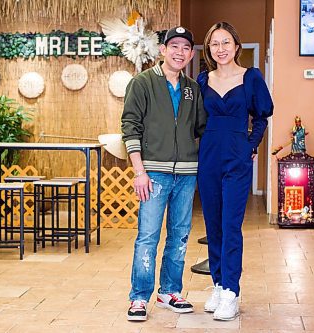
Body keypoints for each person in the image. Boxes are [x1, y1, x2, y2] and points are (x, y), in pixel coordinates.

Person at [121, 26, 207, 321]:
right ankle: (139, 297)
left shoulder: (192, 88)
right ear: (162, 50)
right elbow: (130, 126)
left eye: (185, 48)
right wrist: (139, 172)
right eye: (174, 46)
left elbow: (201, 129)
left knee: (180, 235)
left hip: (187, 174)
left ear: (191, 54)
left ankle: (169, 291)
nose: (179, 52)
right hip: (153, 174)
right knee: (147, 236)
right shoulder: (142, 83)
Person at [196, 22, 273, 321]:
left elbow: (263, 117)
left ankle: (231, 291)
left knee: (231, 226)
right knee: (213, 225)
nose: (221, 48)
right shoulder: (202, 80)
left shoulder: (251, 77)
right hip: (209, 158)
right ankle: (217, 283)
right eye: (214, 44)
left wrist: (250, 146)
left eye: (226, 42)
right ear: (209, 50)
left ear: (237, 46)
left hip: (237, 161)